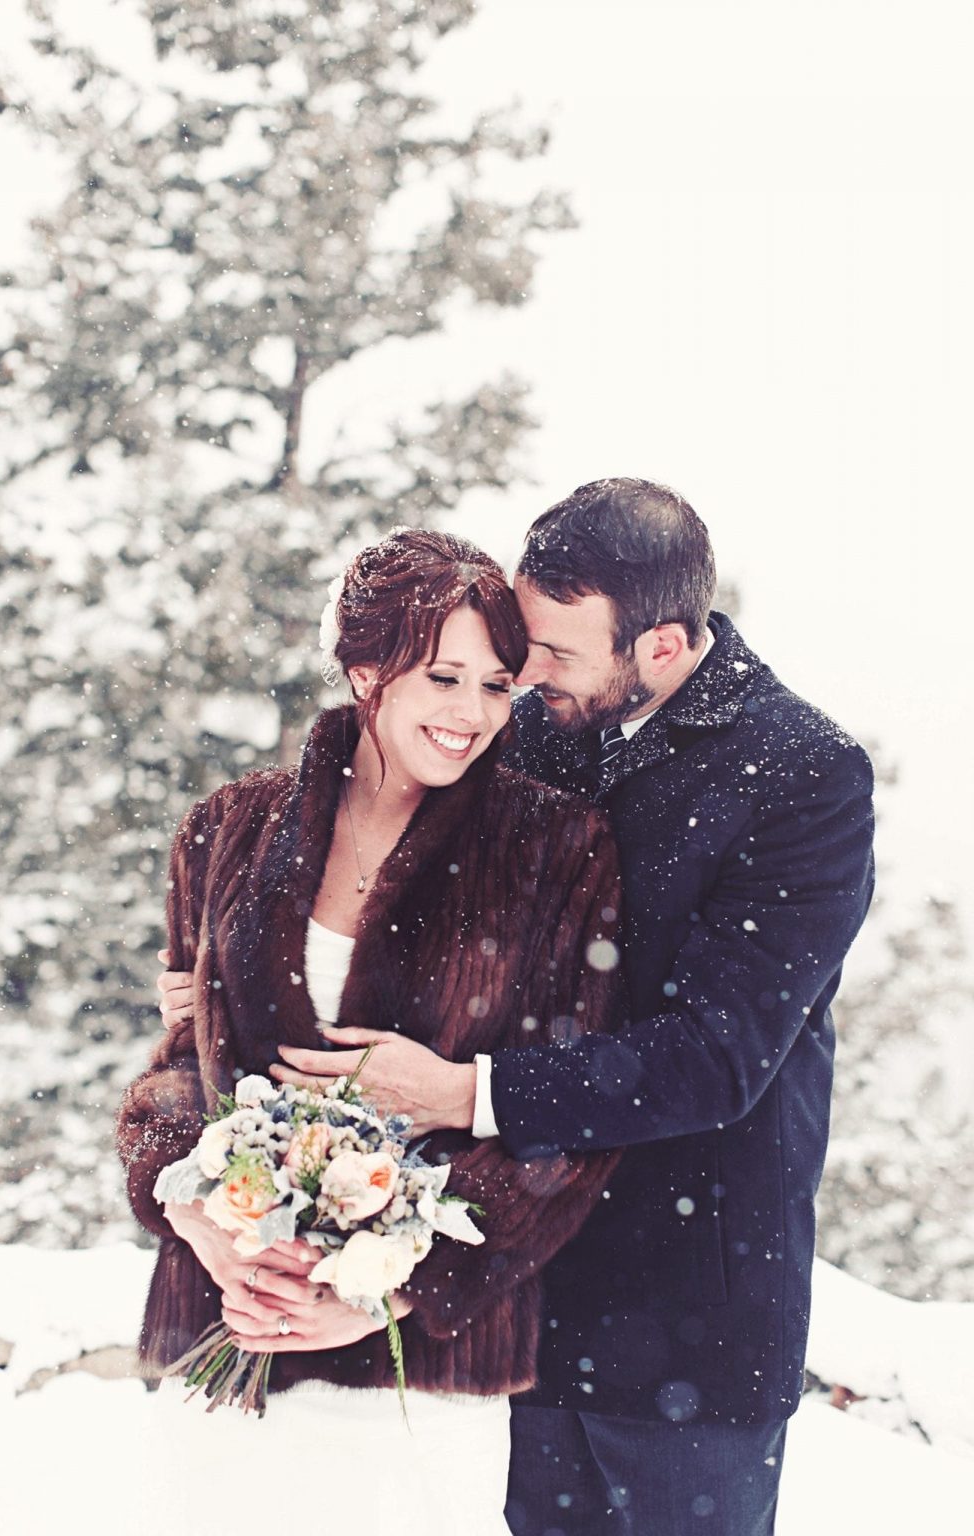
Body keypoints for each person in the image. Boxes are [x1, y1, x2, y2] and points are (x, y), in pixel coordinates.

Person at [161, 479, 874, 1534]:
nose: (522, 678)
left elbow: (718, 1059)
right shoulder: (538, 725)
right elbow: (399, 876)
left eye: (553, 655)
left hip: (691, 1314)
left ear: (664, 647)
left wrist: (466, 1090)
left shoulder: (804, 776)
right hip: (520, 1295)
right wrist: (224, 968)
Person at [118, 527, 623, 1535]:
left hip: (420, 1375)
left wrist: (392, 1285)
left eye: (497, 685)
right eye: (443, 676)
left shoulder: (557, 849)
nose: (473, 714)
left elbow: (568, 1120)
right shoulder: (227, 828)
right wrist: (201, 1221)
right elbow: (179, 1072)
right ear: (365, 669)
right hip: (229, 1337)